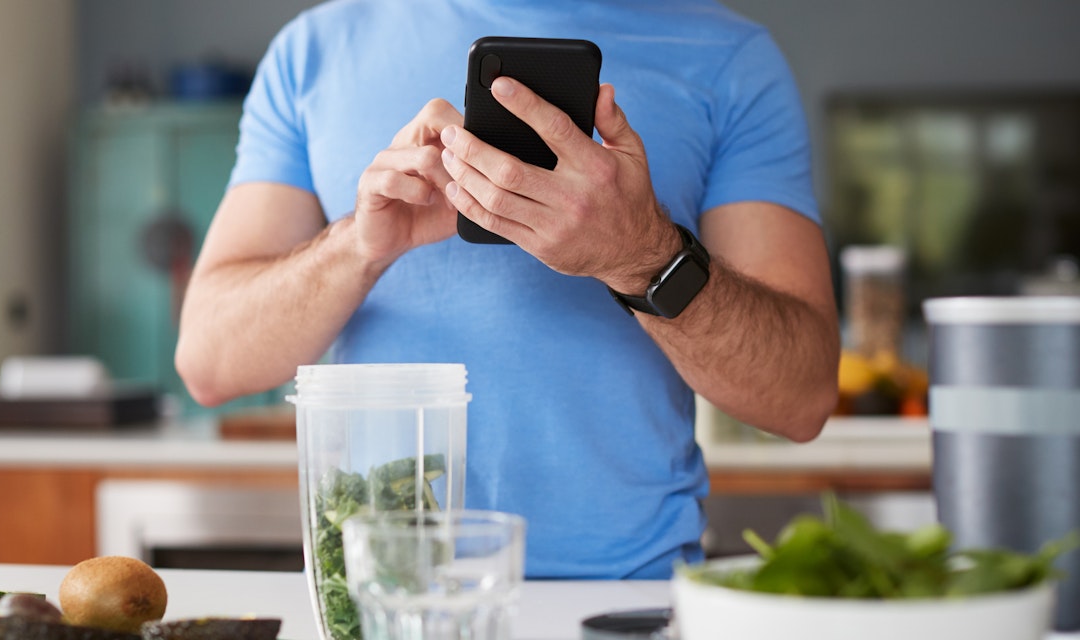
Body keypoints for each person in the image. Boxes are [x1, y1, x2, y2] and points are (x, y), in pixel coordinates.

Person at [176, 0, 840, 580]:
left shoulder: (730, 59)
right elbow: (209, 360)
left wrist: (642, 255)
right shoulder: (312, 52)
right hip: (384, 597)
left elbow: (801, 396)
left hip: (623, 599)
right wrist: (359, 246)